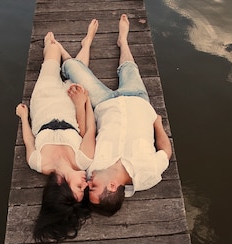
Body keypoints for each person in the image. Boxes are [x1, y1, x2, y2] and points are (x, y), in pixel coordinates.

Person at [58, 15, 172, 216]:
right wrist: (158, 124)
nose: (88, 183)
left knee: (70, 68)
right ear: (112, 186)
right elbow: (166, 152)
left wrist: (82, 103)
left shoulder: (91, 169)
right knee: (129, 68)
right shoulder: (148, 174)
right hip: (138, 100)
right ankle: (123, 41)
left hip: (104, 103)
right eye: (93, 187)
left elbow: (87, 135)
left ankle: (86, 45)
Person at [16, 32, 96, 244]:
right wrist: (83, 102)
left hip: (44, 97)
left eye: (80, 188)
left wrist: (24, 117)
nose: (86, 184)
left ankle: (51, 51)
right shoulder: (84, 161)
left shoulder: (38, 163)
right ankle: (86, 42)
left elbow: (29, 141)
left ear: (62, 185)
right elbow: (88, 130)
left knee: (51, 46)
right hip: (71, 106)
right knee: (78, 74)